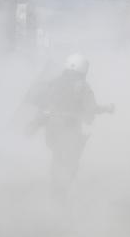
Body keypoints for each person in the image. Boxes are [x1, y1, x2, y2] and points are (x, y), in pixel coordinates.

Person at [30, 52, 113, 199]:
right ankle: (61, 194)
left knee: (57, 158)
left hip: (51, 129)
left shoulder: (54, 82)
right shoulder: (82, 86)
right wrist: (107, 108)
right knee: (70, 163)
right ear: (84, 69)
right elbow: (91, 108)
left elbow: (40, 101)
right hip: (69, 129)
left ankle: (55, 190)